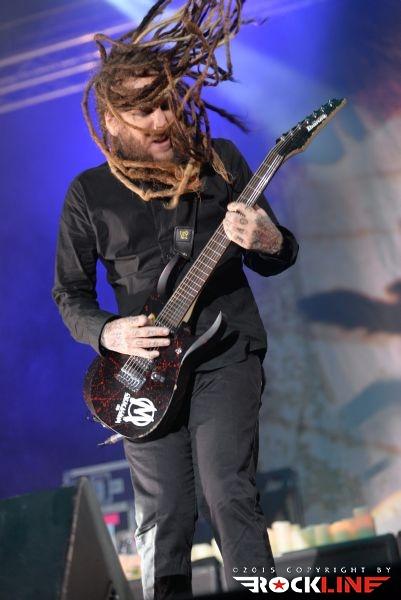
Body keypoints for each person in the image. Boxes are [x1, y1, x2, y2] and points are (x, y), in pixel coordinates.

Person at [52, 2, 299, 598]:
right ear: (110, 120)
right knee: (164, 517)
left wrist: (267, 239)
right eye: (143, 110)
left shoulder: (219, 161)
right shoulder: (88, 194)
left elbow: (279, 254)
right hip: (141, 375)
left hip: (223, 351)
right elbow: (70, 293)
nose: (162, 119)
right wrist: (109, 332)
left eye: (166, 102)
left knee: (227, 490)